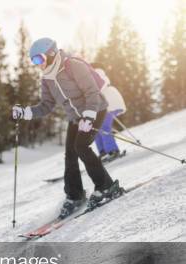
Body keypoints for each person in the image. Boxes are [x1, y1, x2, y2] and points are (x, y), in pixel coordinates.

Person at [12, 38, 124, 218]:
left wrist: (89, 115)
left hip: (95, 109)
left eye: (39, 59)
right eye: (34, 61)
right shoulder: (47, 78)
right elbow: (46, 106)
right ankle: (75, 196)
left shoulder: (72, 65)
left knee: (81, 147)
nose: (37, 65)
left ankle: (106, 187)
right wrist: (25, 112)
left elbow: (92, 92)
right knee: (70, 154)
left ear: (50, 54)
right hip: (75, 118)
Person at [91, 63, 127, 161]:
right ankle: (103, 151)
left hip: (110, 103)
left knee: (103, 127)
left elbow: (100, 86)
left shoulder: (98, 73)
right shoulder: (93, 75)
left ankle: (112, 150)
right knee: (95, 128)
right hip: (104, 105)